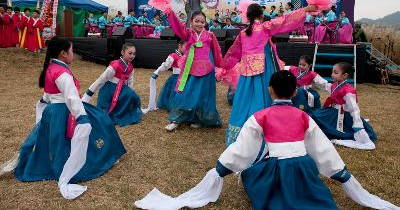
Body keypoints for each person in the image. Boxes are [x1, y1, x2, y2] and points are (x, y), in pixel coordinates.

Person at [134, 71, 398, 210]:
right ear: (296, 91)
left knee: (251, 175)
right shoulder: (303, 117)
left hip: (275, 172)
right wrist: (342, 175)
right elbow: (323, 151)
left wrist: (220, 170)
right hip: (304, 170)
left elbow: (242, 151)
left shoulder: (260, 116)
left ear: (270, 90)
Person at [0, 37, 126, 200]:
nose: (73, 54)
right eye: (72, 51)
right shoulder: (62, 73)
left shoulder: (51, 67)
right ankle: (98, 160)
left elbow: (50, 92)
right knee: (101, 123)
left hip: (53, 111)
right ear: (63, 54)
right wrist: (82, 117)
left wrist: (45, 101)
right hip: (64, 111)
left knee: (57, 139)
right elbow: (71, 98)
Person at [222, 3, 317, 146]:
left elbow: (233, 53)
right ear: (261, 15)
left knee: (245, 99)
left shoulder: (242, 33)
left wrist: (223, 66)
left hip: (247, 70)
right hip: (263, 68)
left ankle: (241, 131)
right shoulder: (265, 27)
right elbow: (284, 20)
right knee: (263, 97)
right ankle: (262, 131)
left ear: (247, 16)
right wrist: (304, 10)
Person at [164, 8, 223, 131]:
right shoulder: (188, 34)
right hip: (190, 69)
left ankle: (199, 119)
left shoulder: (210, 35)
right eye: (197, 21)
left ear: (205, 23)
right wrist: (170, 13)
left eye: (202, 22)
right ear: (191, 22)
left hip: (206, 70)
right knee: (185, 94)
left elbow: (217, 53)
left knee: (203, 96)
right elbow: (178, 26)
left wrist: (220, 67)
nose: (199, 24)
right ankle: (176, 120)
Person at [311, 62, 377, 150]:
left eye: (336, 72)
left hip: (343, 115)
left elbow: (354, 109)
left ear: (345, 75)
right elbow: (325, 85)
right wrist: (315, 77)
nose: (332, 75)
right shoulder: (335, 85)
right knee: (314, 115)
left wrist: (357, 123)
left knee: (318, 118)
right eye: (332, 72)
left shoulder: (348, 90)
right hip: (333, 111)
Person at [82, 42, 142, 127]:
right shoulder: (115, 65)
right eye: (130, 53)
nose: (132, 56)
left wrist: (129, 90)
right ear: (122, 52)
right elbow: (101, 79)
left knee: (133, 96)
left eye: (134, 54)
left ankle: (122, 113)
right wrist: (87, 95)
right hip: (109, 88)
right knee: (105, 112)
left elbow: (130, 80)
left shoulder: (130, 67)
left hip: (121, 88)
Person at [144, 40, 185, 113]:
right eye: (185, 46)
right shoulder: (173, 55)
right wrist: (157, 71)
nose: (187, 48)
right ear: (180, 46)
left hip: (185, 77)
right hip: (176, 78)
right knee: (174, 93)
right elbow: (165, 65)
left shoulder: (187, 55)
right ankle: (175, 106)